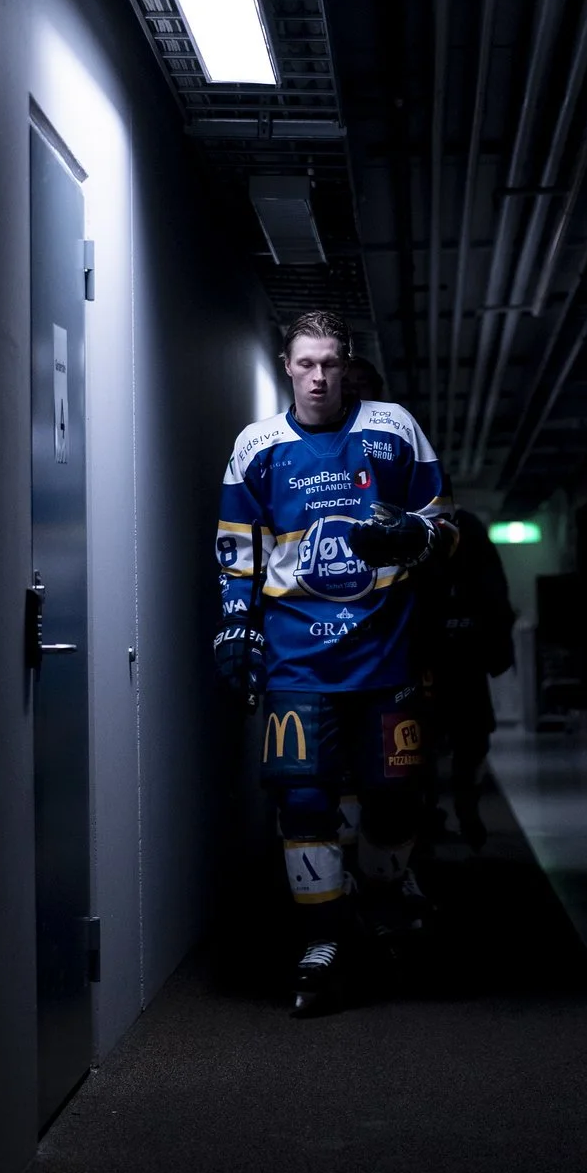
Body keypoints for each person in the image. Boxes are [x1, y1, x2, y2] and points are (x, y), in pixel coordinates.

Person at [212, 309, 457, 1015]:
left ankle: (378, 899)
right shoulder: (256, 446)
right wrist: (234, 629)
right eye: (306, 363)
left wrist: (414, 534)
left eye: (329, 363)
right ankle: (321, 941)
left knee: (394, 800)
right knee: (303, 800)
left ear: (346, 365)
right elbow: (238, 550)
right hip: (297, 659)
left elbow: (447, 528)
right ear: (286, 366)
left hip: (386, 652)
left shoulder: (393, 428)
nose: (318, 376)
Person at [423, 508, 514, 851]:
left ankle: (437, 811)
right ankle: (464, 810)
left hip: (431, 661)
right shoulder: (471, 529)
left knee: (427, 745)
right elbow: (496, 594)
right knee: (468, 744)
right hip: (465, 660)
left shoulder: (419, 523)